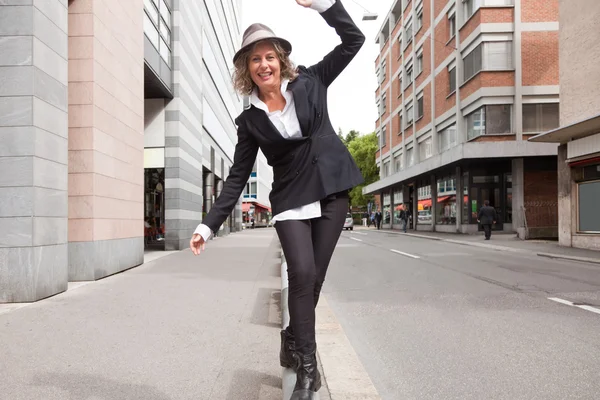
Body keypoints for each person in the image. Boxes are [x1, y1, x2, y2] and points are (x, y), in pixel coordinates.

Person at [189, 1, 365, 398]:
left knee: (313, 280)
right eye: (255, 59)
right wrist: (207, 225)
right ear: (246, 68)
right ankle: (306, 370)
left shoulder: (311, 81)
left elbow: (354, 40)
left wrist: (325, 6)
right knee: (301, 275)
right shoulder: (249, 121)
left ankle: (291, 336)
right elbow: (237, 177)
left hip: (332, 189)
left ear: (280, 59)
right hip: (289, 200)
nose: (264, 64)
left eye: (270, 56)